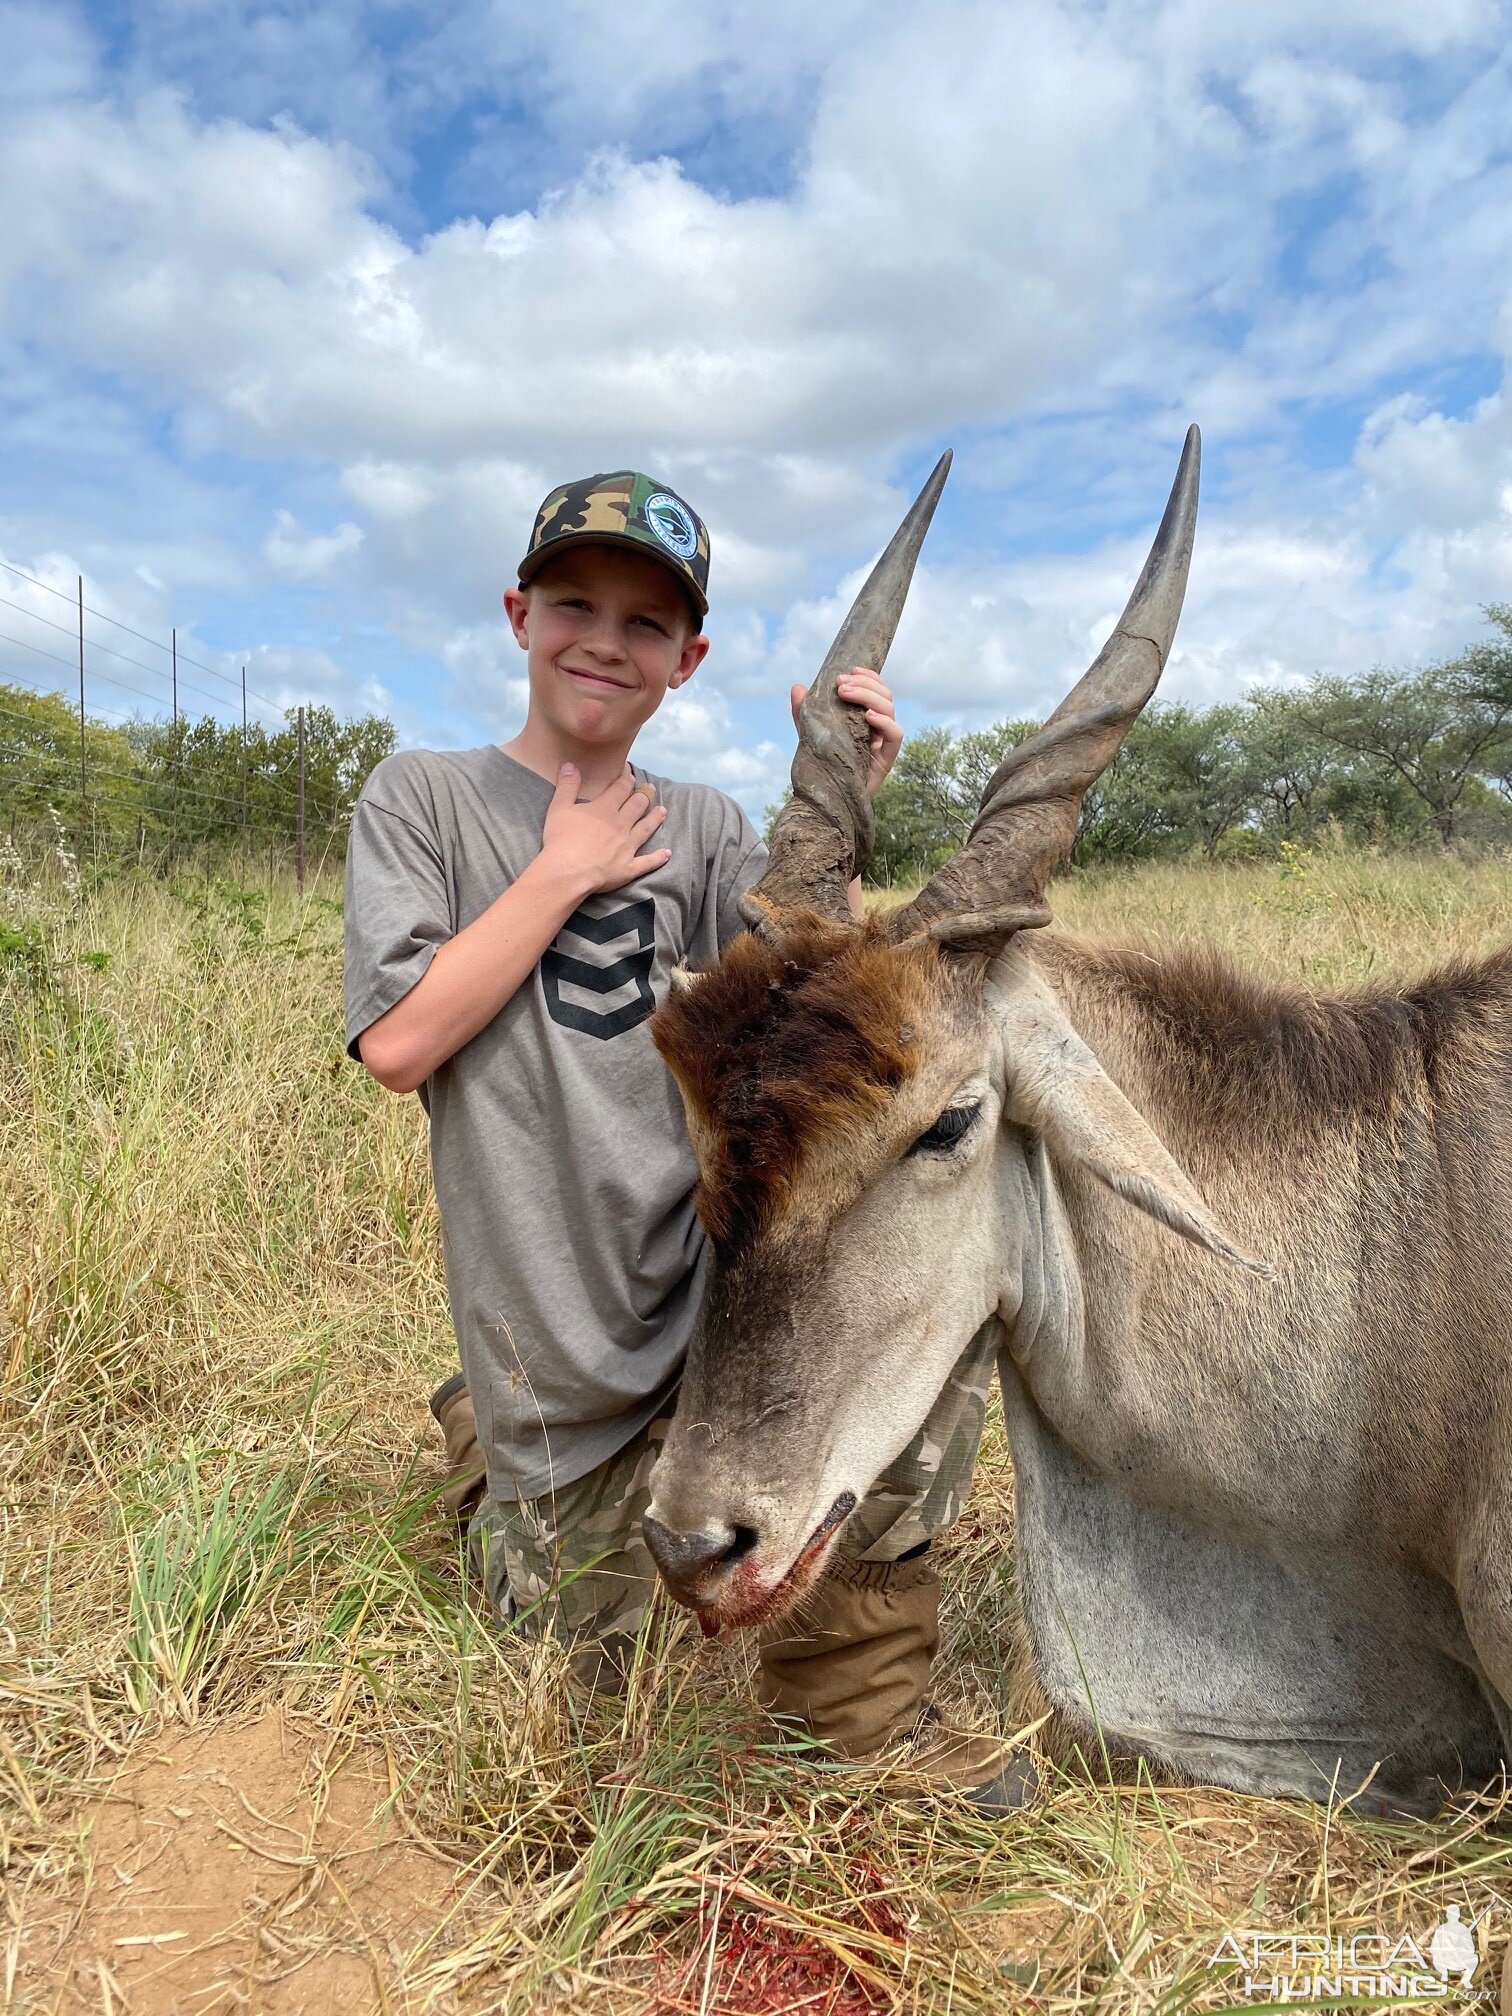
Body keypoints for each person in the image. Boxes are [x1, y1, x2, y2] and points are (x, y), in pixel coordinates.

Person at [343, 470, 1029, 1810]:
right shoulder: (422, 801)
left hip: (721, 1311)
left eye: (647, 625)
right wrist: (565, 869)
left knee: (900, 1352)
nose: (606, 641)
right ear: (518, 614)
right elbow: (400, 1047)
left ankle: (862, 1705)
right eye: (575, 605)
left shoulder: (710, 828)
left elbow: (813, 1009)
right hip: (558, 1333)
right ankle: (489, 1450)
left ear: (688, 658)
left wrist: (849, 796)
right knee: (583, 1712)